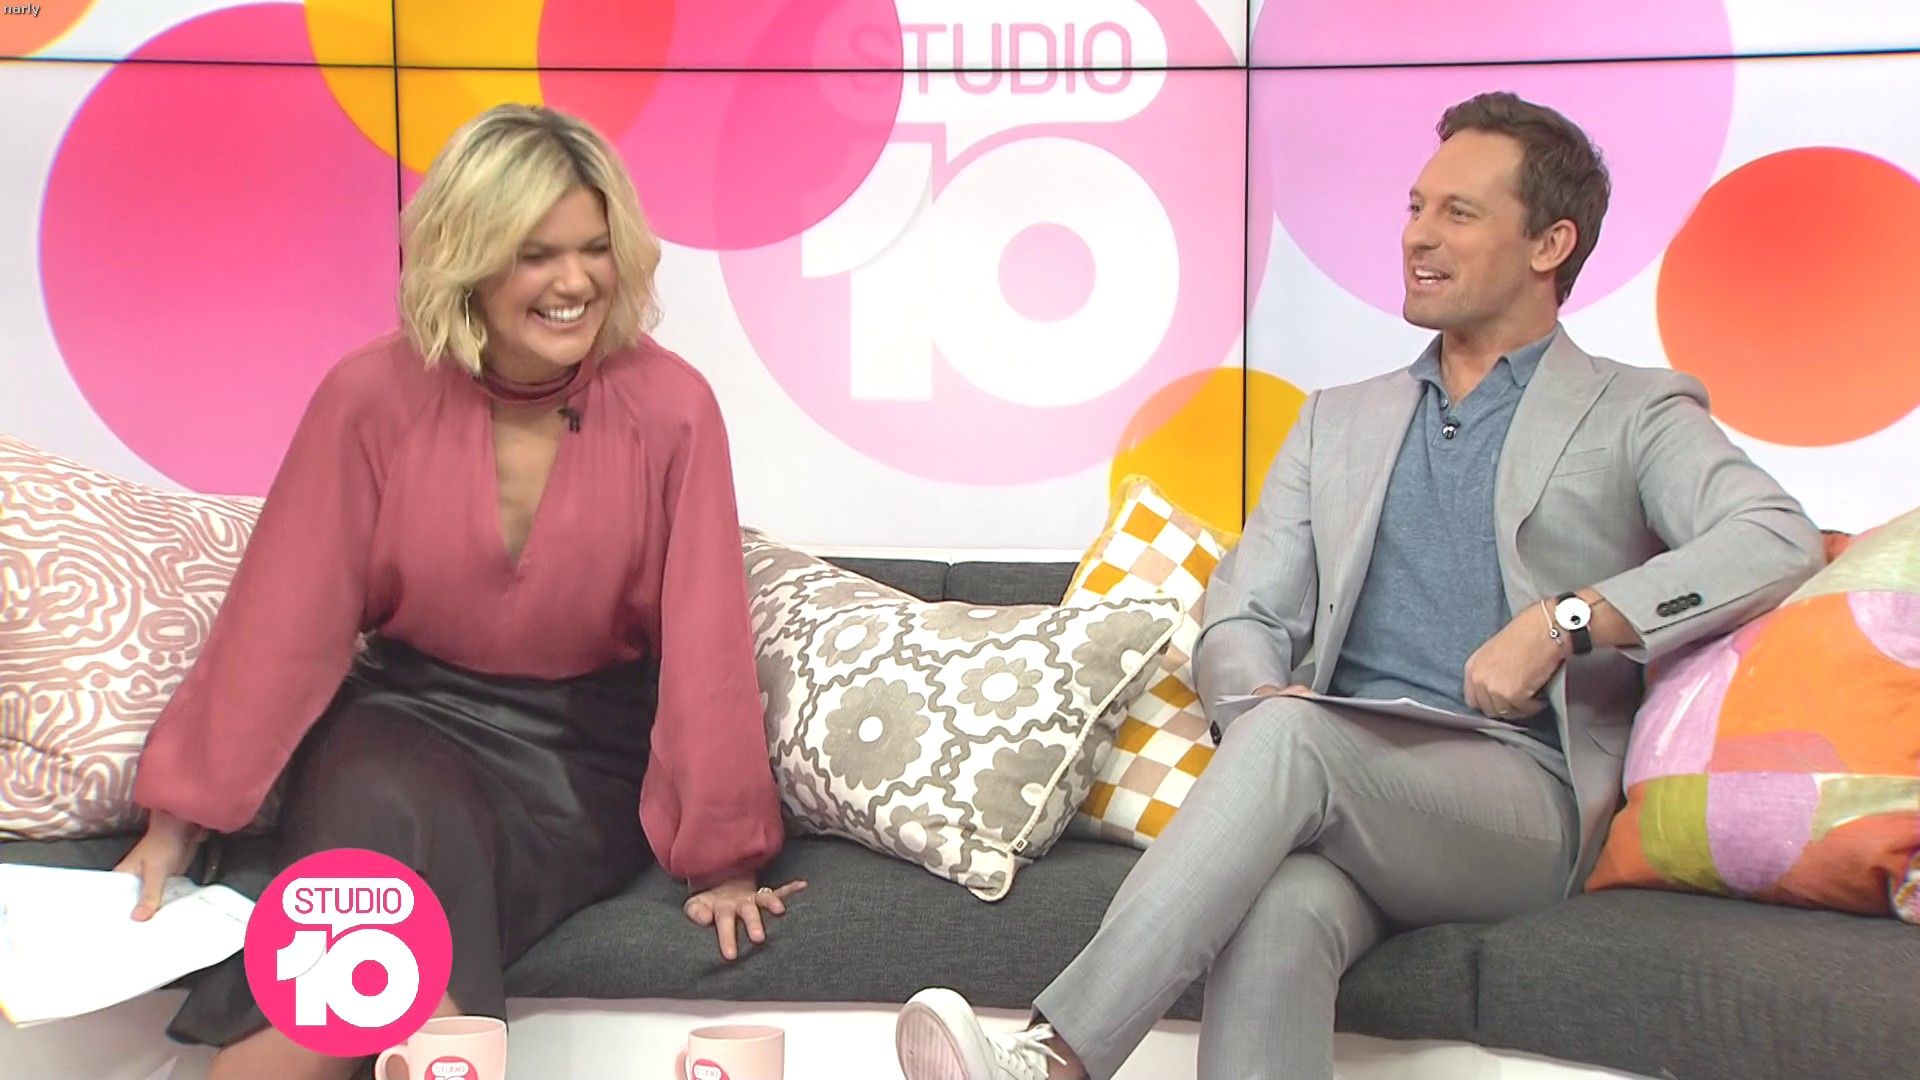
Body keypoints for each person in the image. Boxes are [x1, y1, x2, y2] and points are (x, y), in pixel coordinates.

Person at [894, 91, 1825, 1080]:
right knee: (1281, 903)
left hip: (1521, 801)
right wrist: (1257, 701)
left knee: (1295, 743)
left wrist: (1567, 620)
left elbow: (1775, 536)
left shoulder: (1634, 409)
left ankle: (1055, 1059)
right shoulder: (1336, 422)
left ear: (1550, 244)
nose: (1418, 235)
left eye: (1458, 213)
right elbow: (1243, 616)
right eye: (1416, 207)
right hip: (1344, 784)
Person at [111, 104, 803, 1080]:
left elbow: (707, 642)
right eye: (535, 254)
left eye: (595, 249)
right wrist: (177, 824)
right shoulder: (369, 396)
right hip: (403, 720)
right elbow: (282, 621)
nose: (575, 283)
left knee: (388, 910)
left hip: (577, 760)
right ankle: (433, 1049)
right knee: (386, 818)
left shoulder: (673, 409)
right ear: (468, 258)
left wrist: (725, 856)